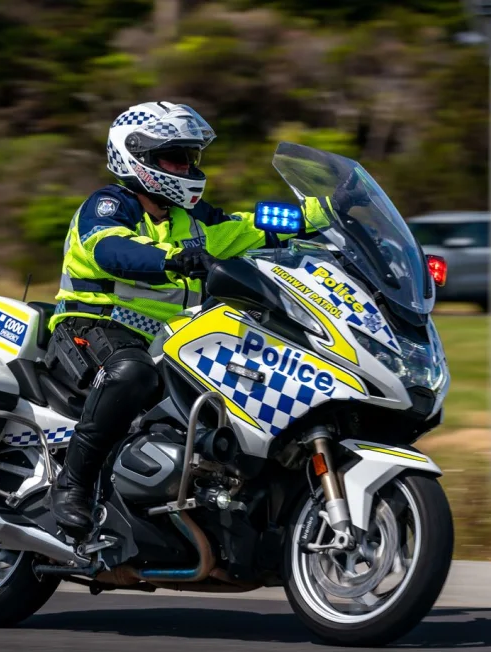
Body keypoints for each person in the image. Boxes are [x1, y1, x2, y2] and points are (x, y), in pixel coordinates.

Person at [46, 101, 305, 539]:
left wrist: (334, 214)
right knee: (132, 373)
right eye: (173, 158)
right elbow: (110, 249)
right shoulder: (110, 205)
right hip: (94, 329)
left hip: (172, 340)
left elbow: (255, 229)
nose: (185, 167)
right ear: (138, 157)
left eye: (189, 158)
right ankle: (73, 485)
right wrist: (173, 258)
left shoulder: (196, 220)